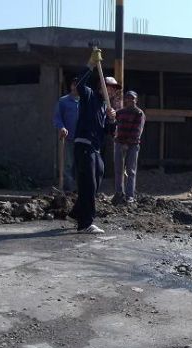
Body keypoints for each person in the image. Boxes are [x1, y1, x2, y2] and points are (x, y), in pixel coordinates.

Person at [68, 48, 118, 234]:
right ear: (101, 86)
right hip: (84, 145)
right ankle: (85, 224)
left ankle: (76, 213)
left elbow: (109, 132)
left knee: (95, 181)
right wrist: (90, 64)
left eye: (114, 89)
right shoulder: (89, 96)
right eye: (109, 87)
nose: (111, 91)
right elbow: (79, 83)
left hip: (96, 149)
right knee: (88, 184)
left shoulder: (105, 107)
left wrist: (112, 120)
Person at [113, 90, 145, 204]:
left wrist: (127, 143)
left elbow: (137, 131)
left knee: (131, 171)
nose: (130, 100)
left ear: (136, 100)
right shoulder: (120, 112)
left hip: (133, 145)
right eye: (128, 98)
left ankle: (130, 196)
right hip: (119, 143)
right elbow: (114, 125)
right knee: (118, 170)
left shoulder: (139, 113)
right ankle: (118, 193)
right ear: (125, 100)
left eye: (133, 98)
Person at [53, 77, 80, 192]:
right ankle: (68, 190)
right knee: (68, 164)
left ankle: (80, 190)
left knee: (81, 164)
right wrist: (62, 127)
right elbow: (57, 118)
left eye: (78, 85)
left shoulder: (85, 101)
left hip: (82, 139)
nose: (76, 87)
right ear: (71, 86)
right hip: (68, 138)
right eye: (74, 85)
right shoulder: (63, 101)